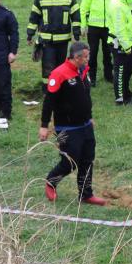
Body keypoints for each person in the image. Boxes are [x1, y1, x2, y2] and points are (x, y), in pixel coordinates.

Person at [39, 42, 106, 206]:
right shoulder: (59, 74)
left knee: (87, 159)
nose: (88, 59)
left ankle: (85, 194)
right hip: (66, 128)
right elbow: (49, 102)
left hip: (85, 125)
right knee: (70, 161)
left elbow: (85, 97)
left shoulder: (83, 71)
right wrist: (44, 125)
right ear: (77, 57)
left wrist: (89, 117)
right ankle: (51, 182)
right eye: (86, 56)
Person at [26, 0, 81, 85]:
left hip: (63, 40)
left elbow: (76, 17)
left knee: (61, 66)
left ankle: (60, 87)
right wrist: (30, 34)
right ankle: (48, 89)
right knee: (48, 66)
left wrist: (76, 33)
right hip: (46, 41)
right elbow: (34, 18)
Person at [80, 0, 115, 86]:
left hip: (109, 27)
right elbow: (83, 9)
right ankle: (92, 78)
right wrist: (83, 26)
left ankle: (108, 75)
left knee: (107, 52)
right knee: (92, 53)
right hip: (94, 27)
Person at [108, 0, 132, 105]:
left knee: (128, 68)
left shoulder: (121, 0)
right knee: (120, 72)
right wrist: (126, 47)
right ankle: (120, 99)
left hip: (125, 43)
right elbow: (119, 30)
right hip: (119, 44)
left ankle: (126, 92)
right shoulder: (117, 5)